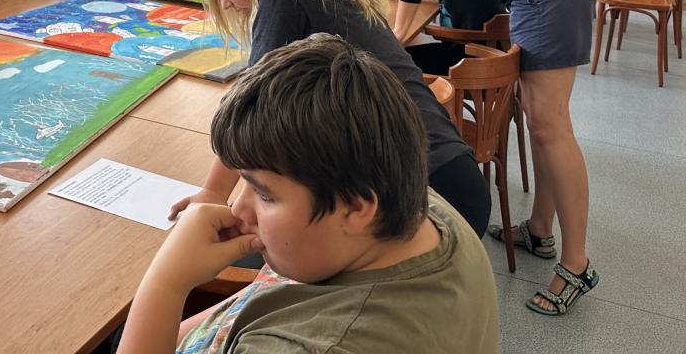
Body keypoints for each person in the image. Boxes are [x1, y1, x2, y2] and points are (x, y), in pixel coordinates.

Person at [123, 35, 498, 354]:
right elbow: (252, 304)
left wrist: (166, 284)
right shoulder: (420, 209)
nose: (238, 209)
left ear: (355, 207)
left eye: (264, 194)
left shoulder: (314, 344)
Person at [376, 0, 599, 315]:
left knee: (550, 126)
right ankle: (540, 231)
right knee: (542, 122)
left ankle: (578, 264)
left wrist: (394, 36)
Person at [174, 0, 490, 235]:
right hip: (453, 178)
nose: (224, 1)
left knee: (241, 249)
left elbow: (249, 112)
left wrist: (213, 194)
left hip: (427, 196)